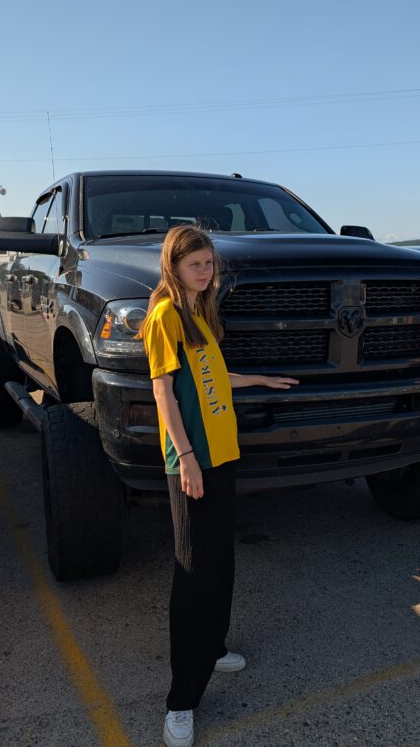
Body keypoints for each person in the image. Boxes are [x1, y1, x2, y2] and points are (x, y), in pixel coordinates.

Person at [138, 224, 298, 747]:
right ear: (173, 266)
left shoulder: (200, 313)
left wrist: (258, 380)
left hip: (222, 454)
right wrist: (185, 457)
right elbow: (163, 391)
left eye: (209, 263)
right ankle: (181, 701)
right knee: (192, 573)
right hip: (193, 460)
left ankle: (212, 647)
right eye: (195, 265)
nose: (205, 272)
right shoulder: (165, 316)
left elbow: (210, 378)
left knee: (220, 560)